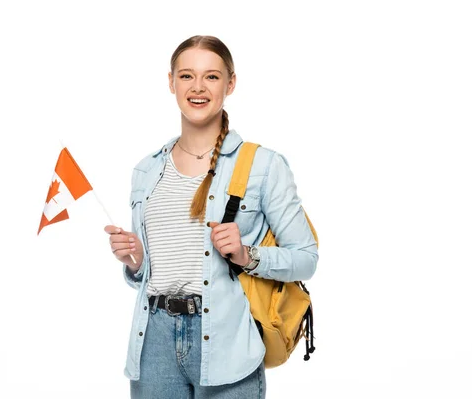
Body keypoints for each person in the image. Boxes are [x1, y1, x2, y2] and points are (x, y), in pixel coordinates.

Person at [104, 35, 318, 399]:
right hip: (152, 342)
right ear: (171, 82)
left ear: (230, 83)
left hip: (227, 341)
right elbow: (148, 276)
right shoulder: (146, 171)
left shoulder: (263, 166)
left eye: (212, 77)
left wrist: (246, 255)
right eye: (186, 76)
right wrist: (137, 262)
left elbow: (306, 258)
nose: (198, 87)